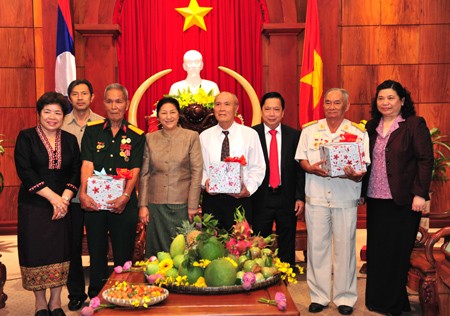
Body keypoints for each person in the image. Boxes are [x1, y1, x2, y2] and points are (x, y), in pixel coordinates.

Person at [295, 88, 370, 315]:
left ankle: (345, 298)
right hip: (316, 197)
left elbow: (364, 167)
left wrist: (356, 174)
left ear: (346, 106)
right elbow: (302, 160)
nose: (332, 106)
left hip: (345, 197)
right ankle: (319, 296)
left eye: (337, 103)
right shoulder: (309, 130)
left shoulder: (358, 133)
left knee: (346, 249)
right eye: (328, 102)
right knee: (317, 248)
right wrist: (310, 167)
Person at [363, 80, 434, 315]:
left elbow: (425, 160)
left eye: (391, 98)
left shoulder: (414, 125)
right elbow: (364, 160)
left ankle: (395, 303)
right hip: (375, 197)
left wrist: (420, 194)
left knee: (398, 252)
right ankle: (376, 300)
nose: (385, 102)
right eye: (381, 98)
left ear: (402, 101)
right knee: (378, 251)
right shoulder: (372, 126)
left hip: (403, 199)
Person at [14, 92, 81, 316]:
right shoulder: (26, 137)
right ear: (39, 113)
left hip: (63, 204)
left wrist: (64, 199)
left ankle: (55, 302)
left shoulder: (70, 140)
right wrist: (53, 198)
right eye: (47, 112)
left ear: (63, 116)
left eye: (58, 113)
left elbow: (75, 172)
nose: (52, 117)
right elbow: (25, 170)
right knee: (36, 253)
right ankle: (40, 303)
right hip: (34, 205)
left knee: (61, 252)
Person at [79, 83, 145, 299]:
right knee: (96, 250)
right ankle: (96, 295)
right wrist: (83, 193)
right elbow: (87, 164)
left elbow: (135, 169)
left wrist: (126, 196)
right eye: (110, 101)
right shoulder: (92, 130)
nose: (114, 106)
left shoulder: (137, 135)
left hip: (123, 202)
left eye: (119, 101)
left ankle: (122, 292)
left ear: (126, 104)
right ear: (104, 103)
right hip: (95, 201)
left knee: (123, 250)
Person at [138, 97, 203, 256]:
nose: (168, 116)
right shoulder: (149, 138)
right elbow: (144, 174)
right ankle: (156, 280)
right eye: (164, 113)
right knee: (157, 252)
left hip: (183, 205)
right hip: (156, 205)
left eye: (172, 112)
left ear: (178, 114)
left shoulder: (191, 136)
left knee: (182, 250)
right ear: (158, 116)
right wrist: (143, 205)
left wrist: (193, 204)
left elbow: (197, 172)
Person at [61, 79, 103, 311]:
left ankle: (97, 290)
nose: (79, 97)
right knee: (72, 246)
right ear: (69, 98)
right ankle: (76, 292)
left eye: (84, 93)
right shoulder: (61, 123)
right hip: (70, 196)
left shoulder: (102, 123)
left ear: (92, 97)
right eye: (75, 94)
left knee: (97, 245)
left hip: (96, 196)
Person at [251, 92, 305, 266]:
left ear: (283, 112)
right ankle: (259, 279)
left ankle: (285, 278)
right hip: (260, 197)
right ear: (261, 111)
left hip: (286, 197)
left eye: (276, 109)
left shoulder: (295, 136)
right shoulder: (251, 135)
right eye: (267, 109)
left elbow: (299, 170)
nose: (272, 113)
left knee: (287, 241)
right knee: (259, 242)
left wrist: (299, 197)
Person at [200, 91, 265, 230]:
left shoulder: (250, 135)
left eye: (227, 104)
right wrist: (205, 181)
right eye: (218, 104)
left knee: (239, 246)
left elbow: (258, 167)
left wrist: (248, 189)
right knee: (210, 245)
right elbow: (199, 168)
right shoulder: (204, 136)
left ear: (236, 109)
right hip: (212, 200)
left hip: (240, 200)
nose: (222, 108)